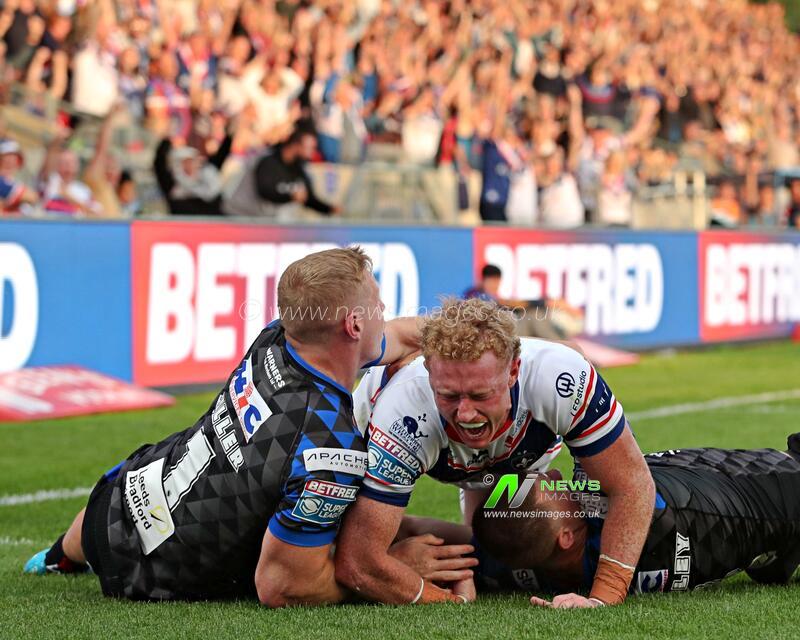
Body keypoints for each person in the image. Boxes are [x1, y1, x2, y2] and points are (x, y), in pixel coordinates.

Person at [23, 247, 424, 607]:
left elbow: (396, 336)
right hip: (151, 574)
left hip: (115, 500)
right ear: (353, 326)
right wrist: (384, 568)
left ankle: (58, 556)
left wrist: (469, 334)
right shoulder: (330, 445)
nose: (384, 310)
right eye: (377, 305)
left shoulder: (278, 337)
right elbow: (284, 587)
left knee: (145, 485)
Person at [337, 297, 654, 607]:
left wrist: (603, 597)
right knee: (319, 561)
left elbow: (632, 485)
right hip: (408, 445)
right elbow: (358, 563)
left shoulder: (560, 378)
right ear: (429, 372)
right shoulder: (402, 415)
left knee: (514, 535)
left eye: (480, 394)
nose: (465, 414)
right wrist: (444, 596)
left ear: (513, 371)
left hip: (518, 451)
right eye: (448, 394)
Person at [471, 434, 800, 603]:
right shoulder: (641, 520)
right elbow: (581, 395)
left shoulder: (511, 559)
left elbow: (472, 539)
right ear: (566, 537)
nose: (556, 475)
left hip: (740, 516)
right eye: (556, 490)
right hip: (779, 496)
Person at [252, 128, 340, 220]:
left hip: (272, 223)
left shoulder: (299, 168)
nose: (312, 153)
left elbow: (308, 199)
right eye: (310, 148)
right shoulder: (268, 162)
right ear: (296, 145)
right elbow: (264, 191)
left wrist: (329, 209)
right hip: (248, 221)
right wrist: (290, 196)